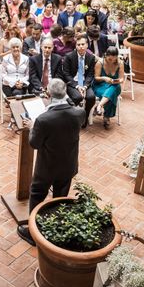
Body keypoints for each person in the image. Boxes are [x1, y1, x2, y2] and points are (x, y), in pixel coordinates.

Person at [17, 79, 85, 246]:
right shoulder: (79, 113)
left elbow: (34, 144)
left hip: (47, 168)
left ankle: (34, 233)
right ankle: (57, 229)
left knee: (37, 194)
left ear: (48, 94)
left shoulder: (43, 120)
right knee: (60, 197)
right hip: (68, 165)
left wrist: (33, 126)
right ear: (65, 93)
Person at [62, 35, 96, 127]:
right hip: (73, 83)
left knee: (91, 97)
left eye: (83, 44)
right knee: (77, 97)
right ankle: (71, 117)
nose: (80, 46)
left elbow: (90, 75)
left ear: (87, 45)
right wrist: (77, 86)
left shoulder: (91, 57)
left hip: (85, 83)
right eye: (78, 44)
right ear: (76, 46)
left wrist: (85, 86)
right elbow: (66, 74)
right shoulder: (69, 57)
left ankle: (85, 115)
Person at [93, 46, 125, 129]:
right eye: (109, 59)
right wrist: (104, 78)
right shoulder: (100, 63)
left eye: (114, 59)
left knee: (114, 87)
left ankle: (99, 105)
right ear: (105, 56)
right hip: (100, 85)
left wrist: (115, 81)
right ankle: (107, 117)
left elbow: (122, 79)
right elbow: (96, 77)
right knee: (112, 94)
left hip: (115, 85)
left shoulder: (120, 63)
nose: (112, 61)